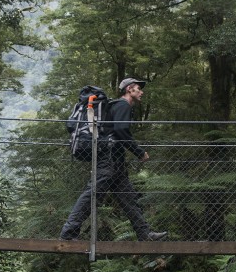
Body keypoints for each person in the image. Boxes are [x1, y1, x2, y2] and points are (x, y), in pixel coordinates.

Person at [60, 77, 168, 241]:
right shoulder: (123, 105)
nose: (142, 92)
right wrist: (139, 152)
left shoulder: (118, 106)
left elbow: (117, 131)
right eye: (139, 89)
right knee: (92, 194)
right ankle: (68, 233)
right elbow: (121, 130)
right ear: (129, 89)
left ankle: (144, 234)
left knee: (128, 198)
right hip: (109, 159)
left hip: (115, 161)